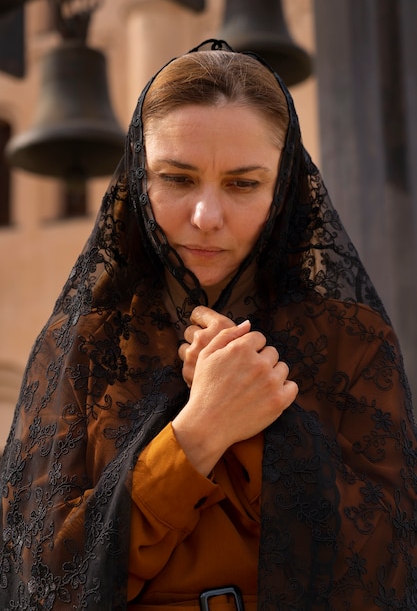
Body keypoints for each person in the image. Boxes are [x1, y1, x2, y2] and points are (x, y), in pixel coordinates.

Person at [0, 39, 416, 611]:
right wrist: (198, 432)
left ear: (285, 189)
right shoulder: (85, 347)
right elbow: (38, 582)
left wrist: (260, 425)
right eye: (177, 178)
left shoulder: (352, 342)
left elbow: (388, 569)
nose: (206, 217)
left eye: (243, 184)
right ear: (140, 186)